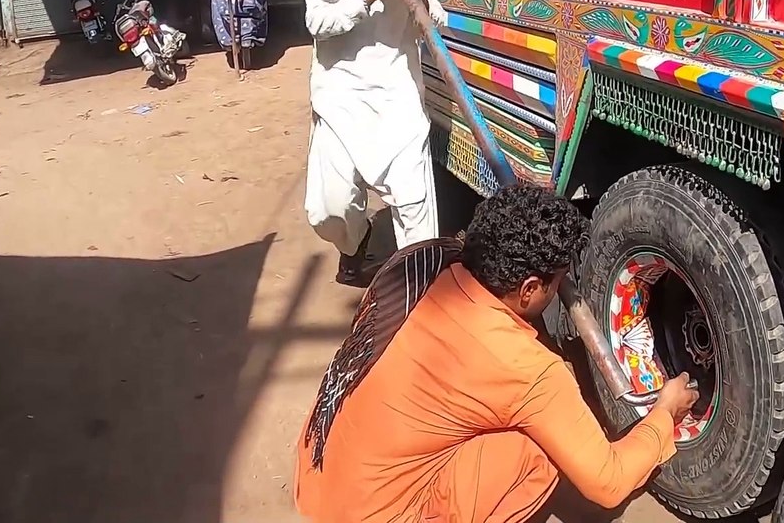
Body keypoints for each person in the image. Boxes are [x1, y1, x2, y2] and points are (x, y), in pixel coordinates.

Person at [294, 183, 700, 522]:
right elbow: (609, 482)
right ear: (528, 290)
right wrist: (664, 414)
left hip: (319, 474)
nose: (560, 290)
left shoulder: (418, 267)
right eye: (556, 282)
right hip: (374, 514)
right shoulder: (528, 369)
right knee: (537, 452)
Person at [300, 0, 449, 284]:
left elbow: (436, 21)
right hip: (341, 96)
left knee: (415, 206)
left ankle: (417, 296)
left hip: (399, 94)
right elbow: (318, 23)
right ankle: (356, 242)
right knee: (329, 210)